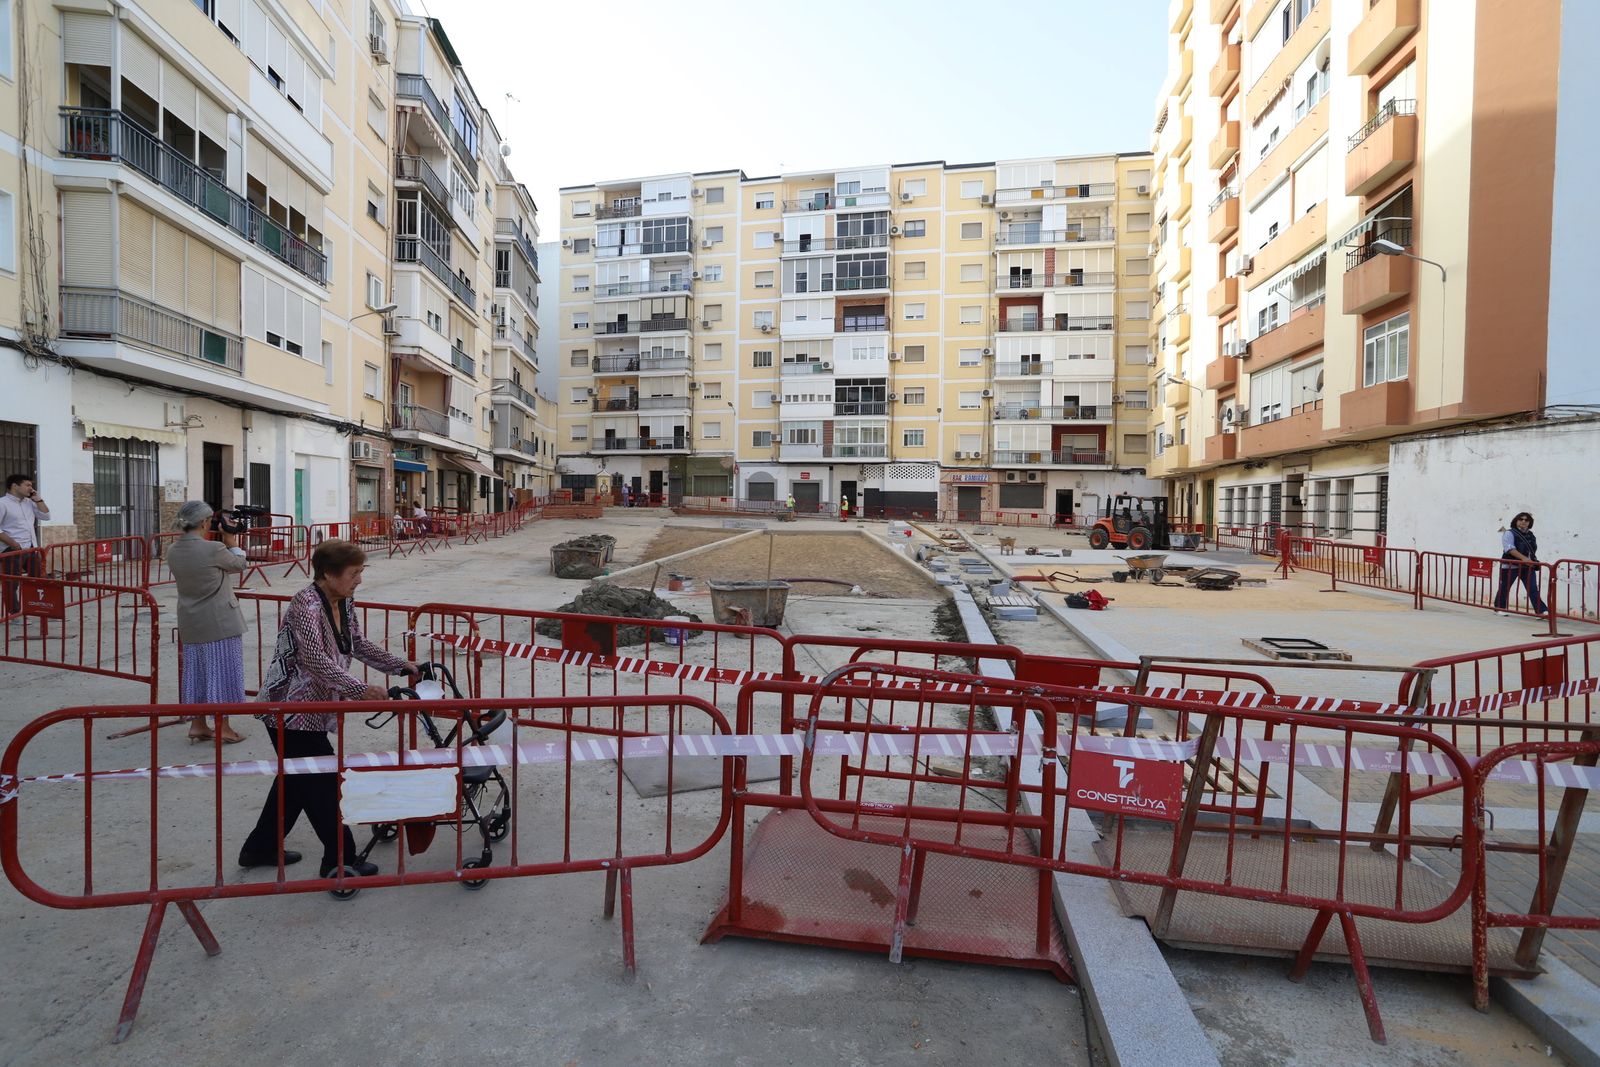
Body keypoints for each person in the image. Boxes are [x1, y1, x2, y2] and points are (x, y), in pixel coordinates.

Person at [237, 539, 421, 877]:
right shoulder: (305, 606)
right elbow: (315, 660)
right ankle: (340, 860)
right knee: (321, 787)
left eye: (361, 573)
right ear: (327, 573)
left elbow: (357, 643)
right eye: (354, 574)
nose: (359, 580)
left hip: (317, 707)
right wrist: (359, 689)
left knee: (295, 784)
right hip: (289, 712)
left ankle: (258, 848)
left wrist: (399, 665)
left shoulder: (344, 601)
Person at [166, 502, 250, 743]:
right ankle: (223, 727)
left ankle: (198, 724)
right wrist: (231, 540)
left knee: (197, 674)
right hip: (220, 621)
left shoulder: (173, 550)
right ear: (204, 522)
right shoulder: (213, 548)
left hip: (191, 621)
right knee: (223, 675)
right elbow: (240, 564)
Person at [0, 474, 49, 615]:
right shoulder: (3, 503)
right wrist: (13, 543)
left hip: (31, 548)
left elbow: (46, 515)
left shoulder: (29, 502)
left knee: (38, 579)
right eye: (27, 485)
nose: (31, 488)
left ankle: (37, 608)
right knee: (12, 583)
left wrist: (38, 499)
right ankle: (13, 613)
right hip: (12, 550)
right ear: (15, 486)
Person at [1494, 511, 1548, 617]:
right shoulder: (1509, 533)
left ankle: (1541, 611)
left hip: (1527, 567)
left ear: (1529, 523)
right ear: (1516, 521)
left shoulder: (1531, 535)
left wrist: (1531, 560)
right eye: (1521, 519)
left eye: (1526, 520)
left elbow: (1531, 550)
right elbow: (1509, 549)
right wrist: (1524, 559)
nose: (1523, 521)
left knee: (1532, 589)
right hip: (1511, 565)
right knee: (1505, 587)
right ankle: (1499, 608)